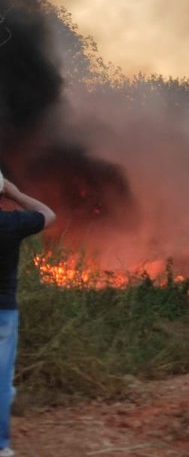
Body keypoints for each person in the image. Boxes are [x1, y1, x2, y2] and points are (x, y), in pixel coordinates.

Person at [0, 171, 55, 457]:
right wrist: (14, 193)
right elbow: (48, 214)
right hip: (3, 315)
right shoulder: (11, 223)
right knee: (0, 383)